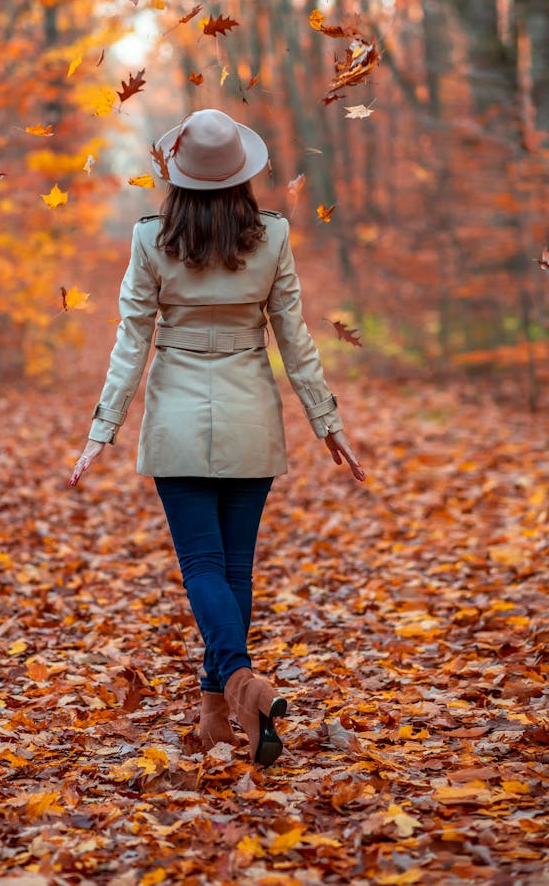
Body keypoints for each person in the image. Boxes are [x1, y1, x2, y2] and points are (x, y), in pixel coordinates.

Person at [69, 108, 364, 768]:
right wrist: (327, 421)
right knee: (234, 570)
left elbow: (131, 343)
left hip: (176, 416)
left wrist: (101, 431)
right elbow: (295, 337)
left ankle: (238, 686)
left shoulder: (152, 240)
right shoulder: (272, 238)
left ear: (178, 180)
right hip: (250, 416)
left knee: (205, 568)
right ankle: (226, 708)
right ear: (241, 177)